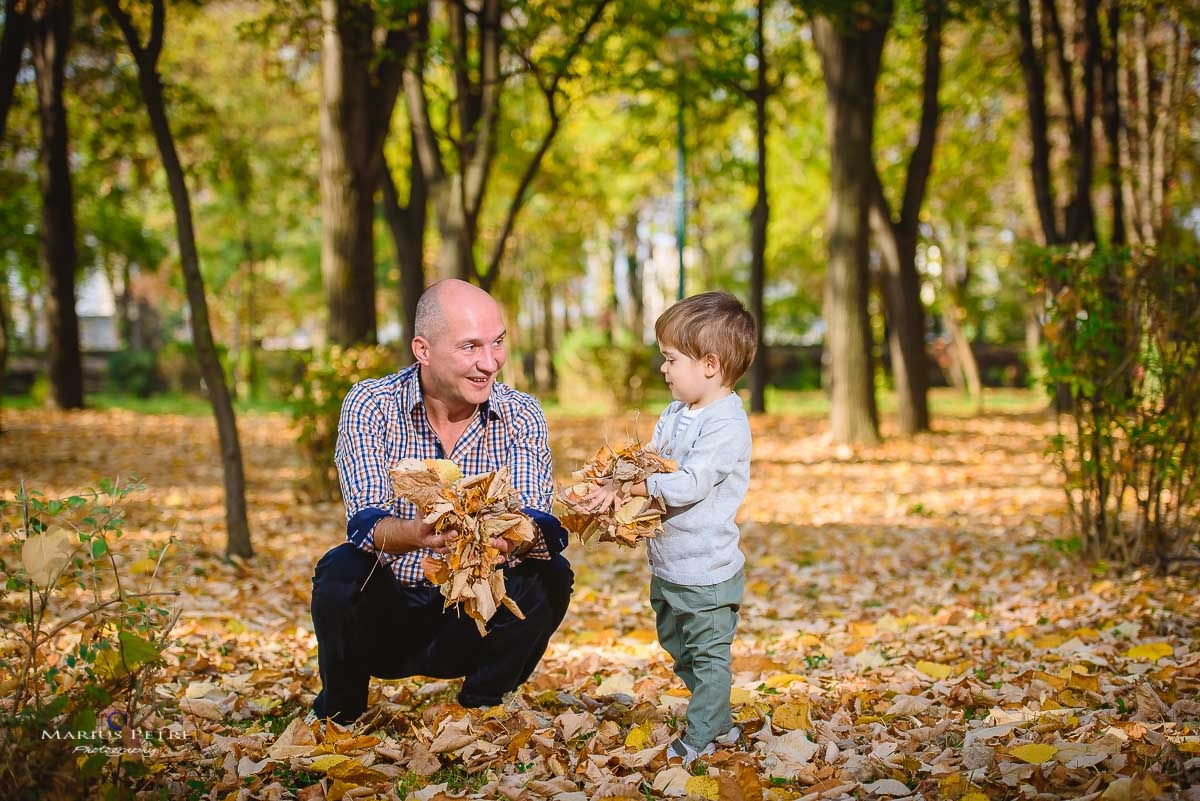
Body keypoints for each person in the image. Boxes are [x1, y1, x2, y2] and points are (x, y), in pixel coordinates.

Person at [308, 279, 573, 723]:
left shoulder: (520, 413)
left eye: (498, 343)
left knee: (551, 576)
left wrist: (510, 538)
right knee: (339, 570)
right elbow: (365, 522)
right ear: (423, 350)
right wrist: (417, 534)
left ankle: (483, 704)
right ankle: (341, 708)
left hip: (474, 617)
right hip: (389, 616)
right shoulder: (371, 405)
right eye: (470, 347)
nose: (489, 364)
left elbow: (535, 516)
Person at [610, 291, 757, 765]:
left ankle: (704, 731)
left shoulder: (727, 425)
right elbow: (651, 460)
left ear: (710, 364)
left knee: (708, 654)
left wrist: (640, 490)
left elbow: (691, 482)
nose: (663, 369)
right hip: (670, 567)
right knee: (679, 647)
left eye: (671, 359)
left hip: (707, 572)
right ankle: (716, 714)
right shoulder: (675, 413)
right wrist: (616, 482)